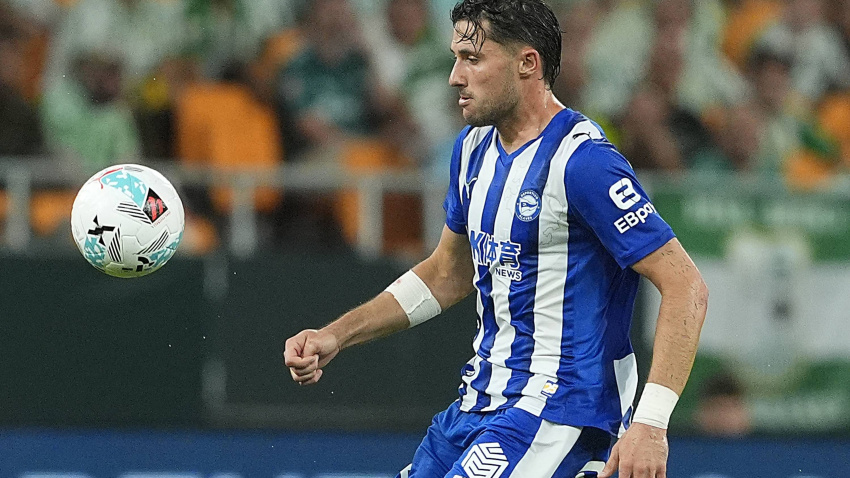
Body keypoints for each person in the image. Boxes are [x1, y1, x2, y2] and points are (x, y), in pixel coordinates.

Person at [284, 1, 709, 477]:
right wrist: (336, 336)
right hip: (478, 406)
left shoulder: (583, 162)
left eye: (472, 58)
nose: (454, 76)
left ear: (528, 63)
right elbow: (447, 273)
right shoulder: (472, 149)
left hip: (560, 411)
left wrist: (651, 424)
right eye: (455, 57)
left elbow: (686, 286)